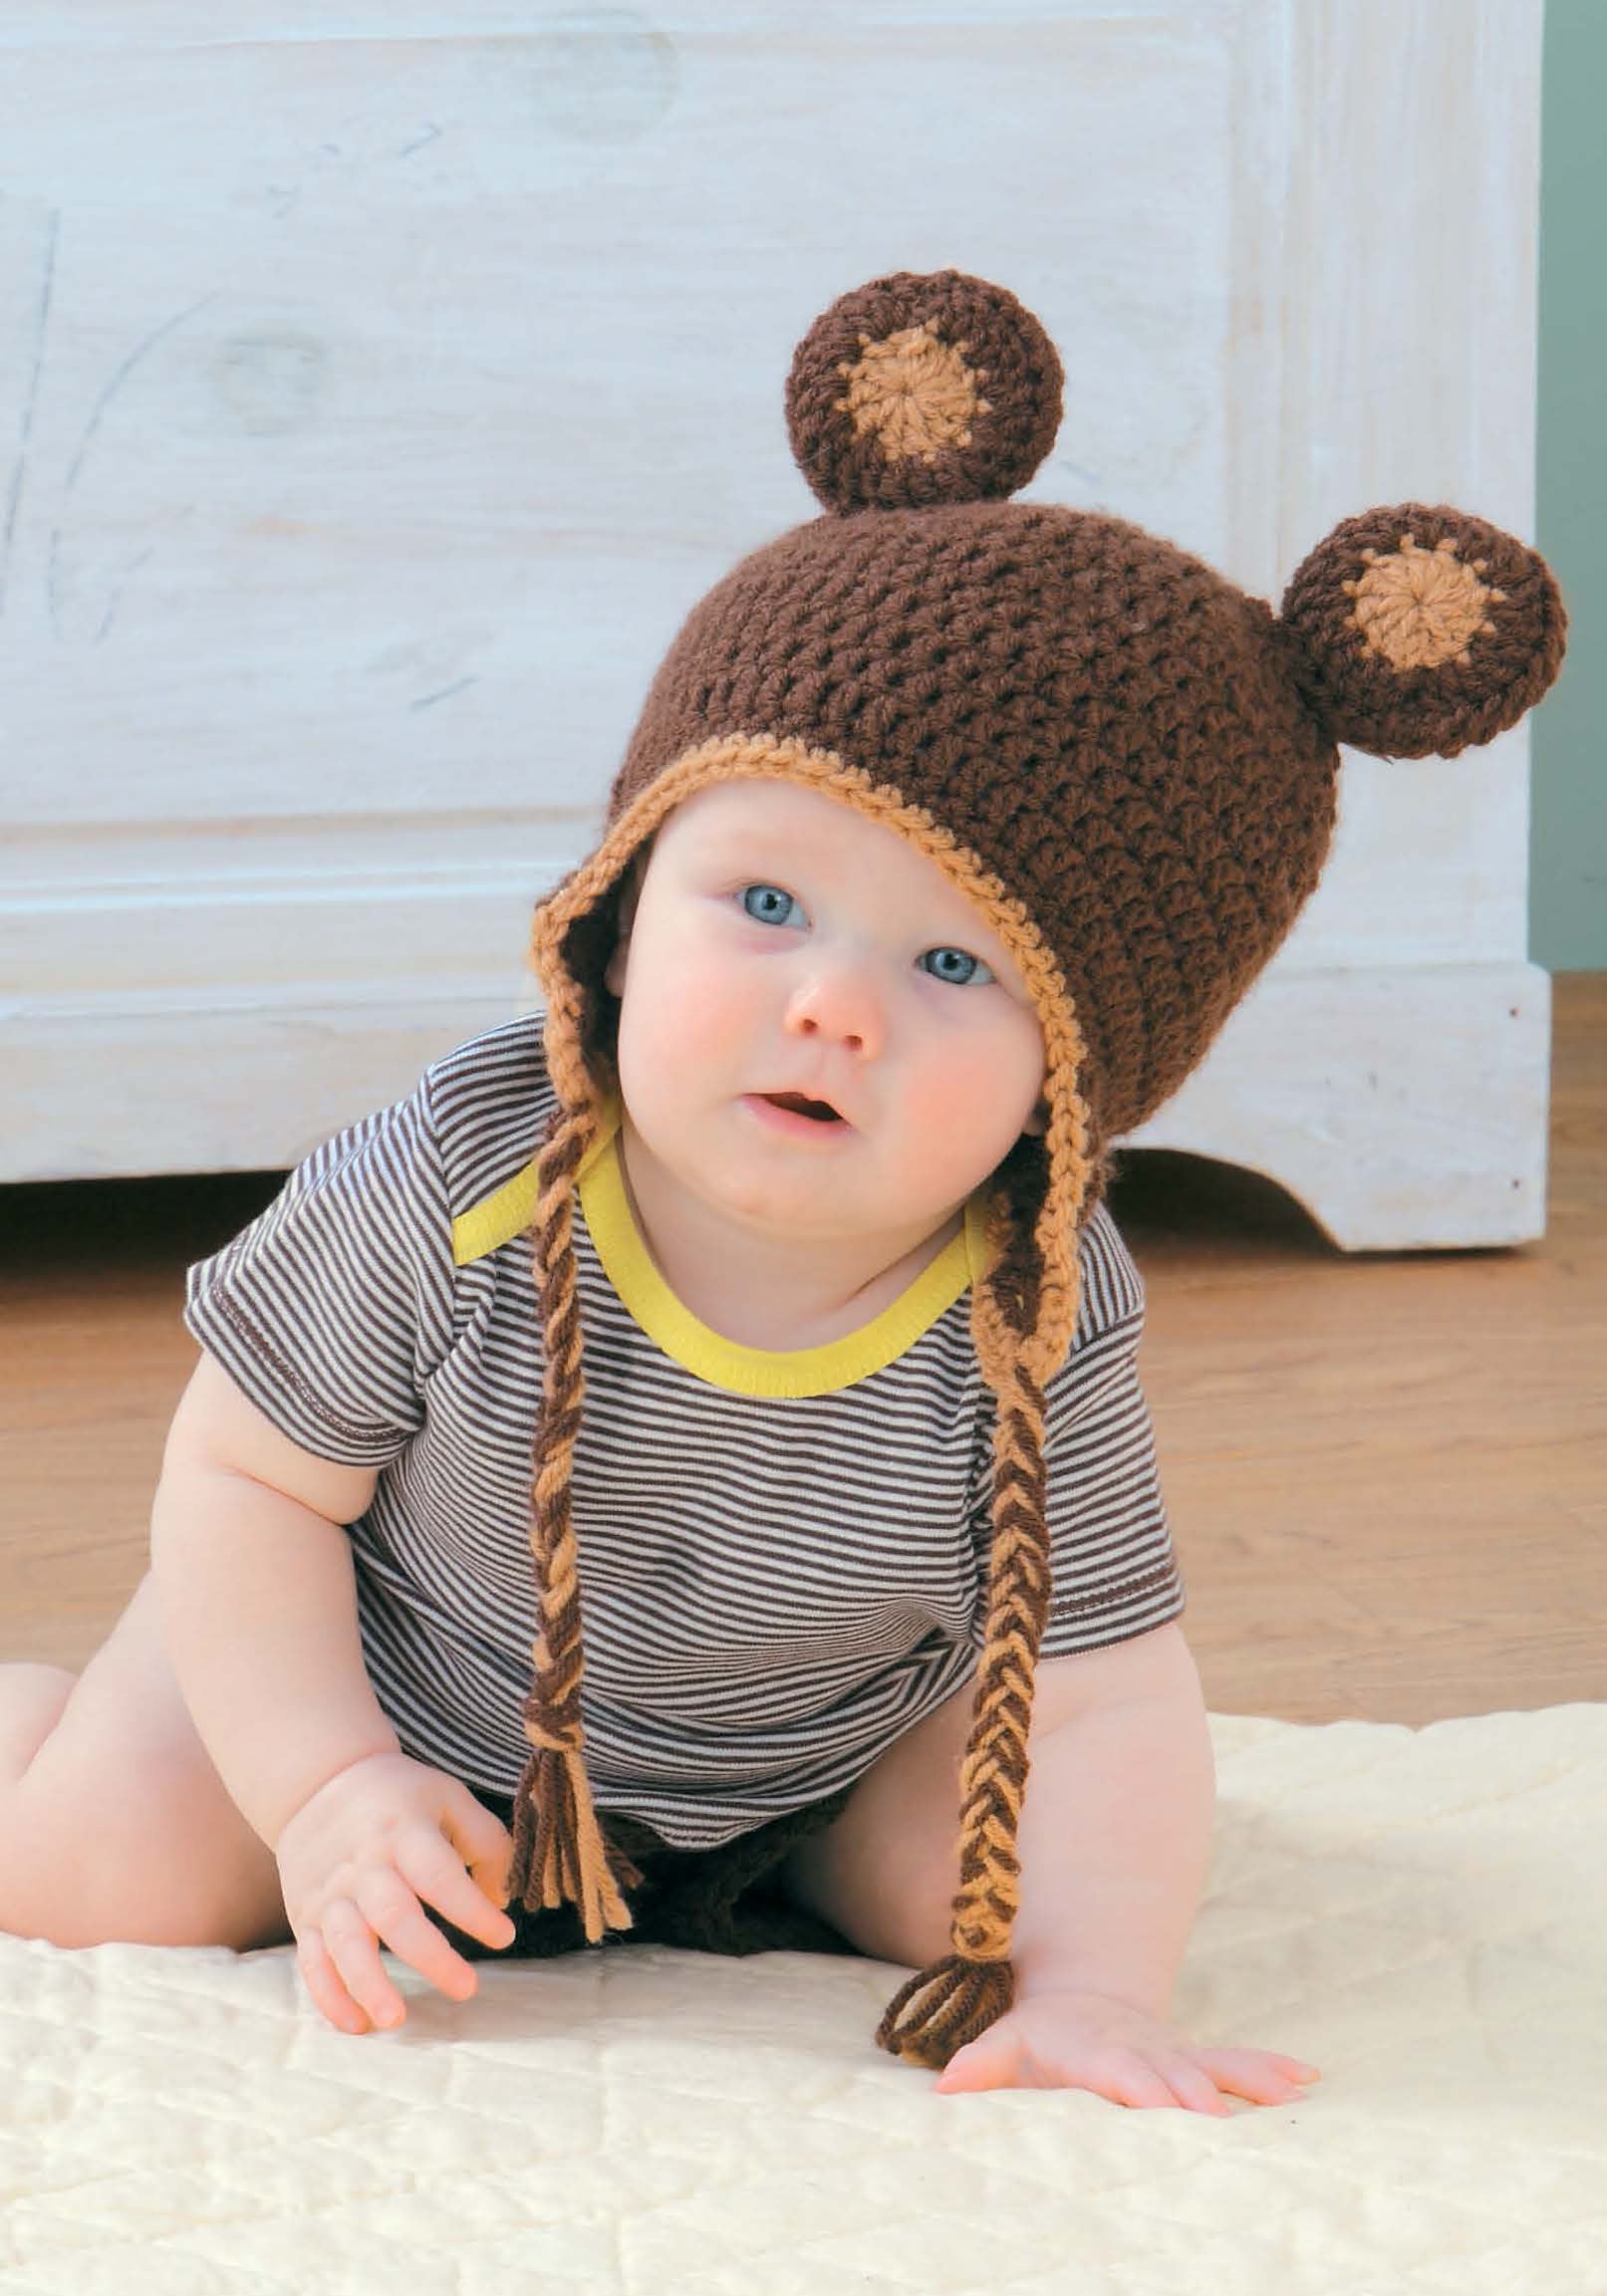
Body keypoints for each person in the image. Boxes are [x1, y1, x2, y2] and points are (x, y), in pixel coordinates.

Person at [0, 268, 1566, 2108]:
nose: (826, 1005)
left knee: (984, 1891)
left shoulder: (1038, 1302)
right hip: (384, 1687)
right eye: (761, 904)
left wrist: (1095, 1979)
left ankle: (806, 1869)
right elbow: (247, 1480)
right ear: (623, 895)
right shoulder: (467, 1173)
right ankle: (62, 1729)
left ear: (1079, 1081)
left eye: (955, 968)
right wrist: (320, 1785)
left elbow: (1106, 1685)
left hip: (791, 1759)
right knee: (92, 1879)